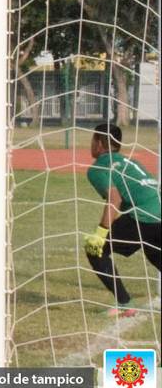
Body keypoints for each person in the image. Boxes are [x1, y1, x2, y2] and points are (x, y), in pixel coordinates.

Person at [84, 123, 161, 317]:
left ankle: (124, 303)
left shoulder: (98, 168)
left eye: (93, 140)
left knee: (96, 250)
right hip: (157, 212)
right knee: (153, 251)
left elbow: (114, 200)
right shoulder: (130, 161)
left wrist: (100, 234)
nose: (91, 144)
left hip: (143, 216)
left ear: (99, 143)